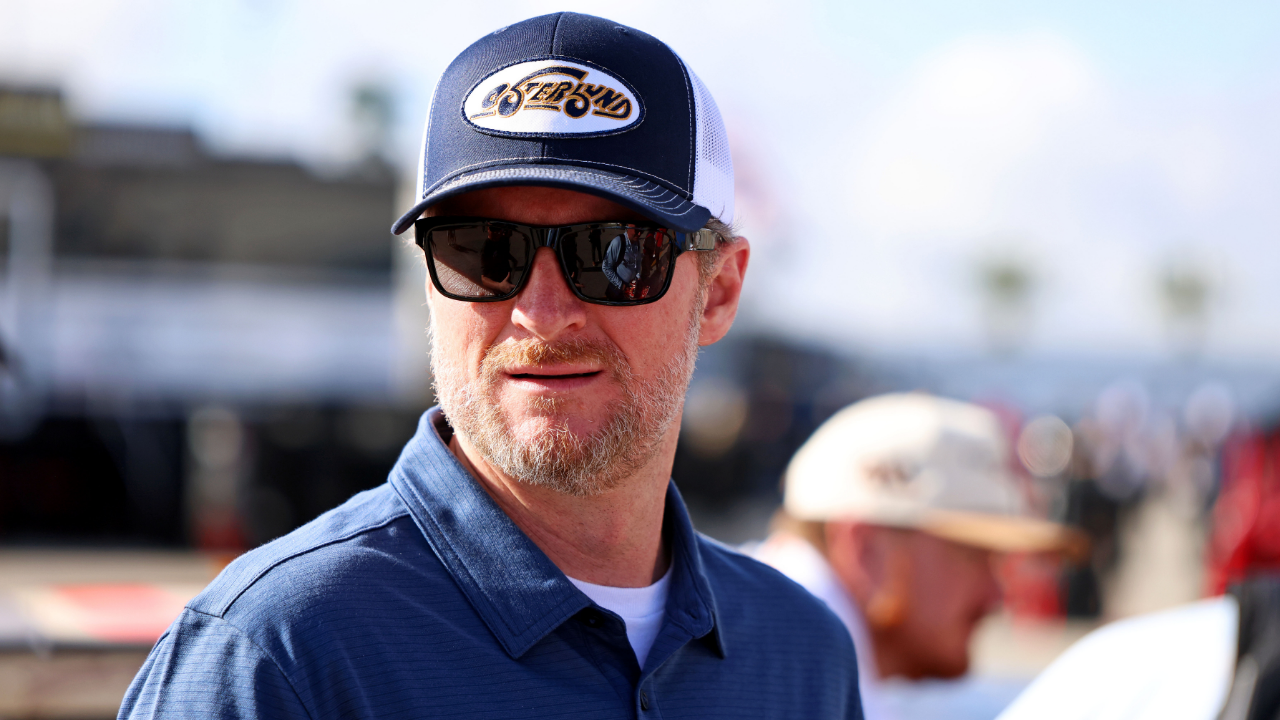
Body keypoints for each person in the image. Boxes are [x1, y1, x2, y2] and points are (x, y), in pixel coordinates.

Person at [120, 12, 863, 719]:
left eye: (614, 254)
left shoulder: (801, 654)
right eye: (481, 251)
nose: (541, 313)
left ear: (719, 291)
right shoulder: (275, 655)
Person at [754, 392, 1079, 720]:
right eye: (972, 556)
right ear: (866, 551)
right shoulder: (777, 683)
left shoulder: (778, 660)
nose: (997, 596)